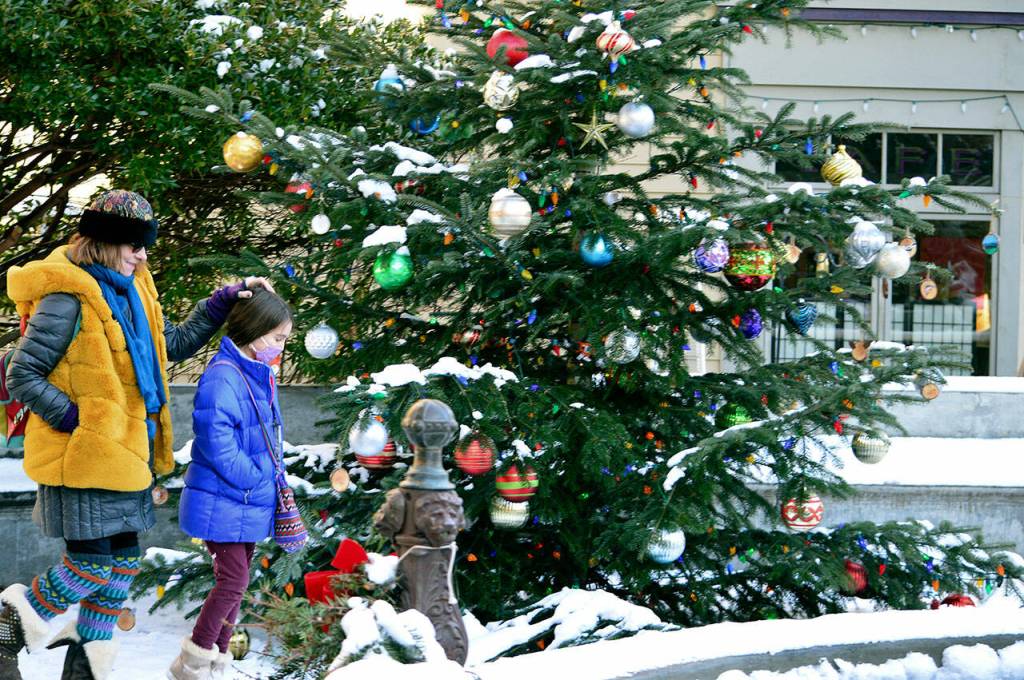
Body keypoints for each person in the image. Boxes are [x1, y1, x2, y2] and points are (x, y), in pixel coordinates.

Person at [0, 189, 273, 680]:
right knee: (89, 567)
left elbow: (165, 349)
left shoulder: (132, 289)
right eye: (134, 245)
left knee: (121, 567)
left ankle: (85, 669)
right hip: (83, 456)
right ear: (106, 243)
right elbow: (23, 374)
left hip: (128, 456)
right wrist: (82, 421)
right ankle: (4, 627)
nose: (143, 254)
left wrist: (218, 305)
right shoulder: (67, 296)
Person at [168, 289, 293, 680]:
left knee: (237, 581)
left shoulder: (256, 373)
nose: (281, 347)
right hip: (228, 496)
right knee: (234, 579)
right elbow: (216, 441)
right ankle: (194, 660)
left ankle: (217, 661)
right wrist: (254, 479)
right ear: (254, 331)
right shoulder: (224, 375)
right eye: (277, 338)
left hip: (244, 499)